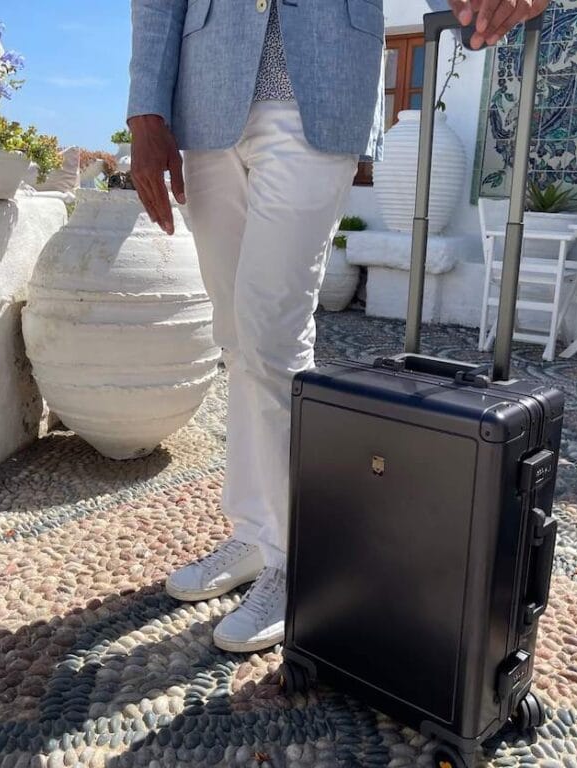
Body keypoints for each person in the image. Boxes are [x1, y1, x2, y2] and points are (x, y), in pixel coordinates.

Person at [127, 0, 549, 653]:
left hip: (315, 92)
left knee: (271, 338)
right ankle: (252, 530)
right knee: (237, 341)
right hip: (207, 98)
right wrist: (145, 108)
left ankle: (300, 559)